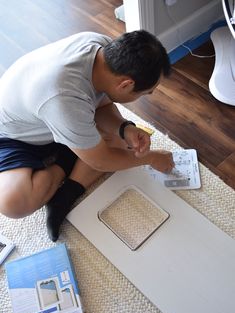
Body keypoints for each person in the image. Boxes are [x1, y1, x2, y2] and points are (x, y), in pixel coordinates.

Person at [0, 30, 174, 242]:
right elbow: (102, 162)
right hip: (17, 135)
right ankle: (69, 157)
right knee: (14, 203)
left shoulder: (100, 47)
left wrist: (124, 128)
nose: (148, 96)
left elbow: (101, 102)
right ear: (126, 84)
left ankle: (65, 195)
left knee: (125, 142)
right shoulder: (64, 97)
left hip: (59, 117)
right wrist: (151, 158)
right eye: (146, 92)